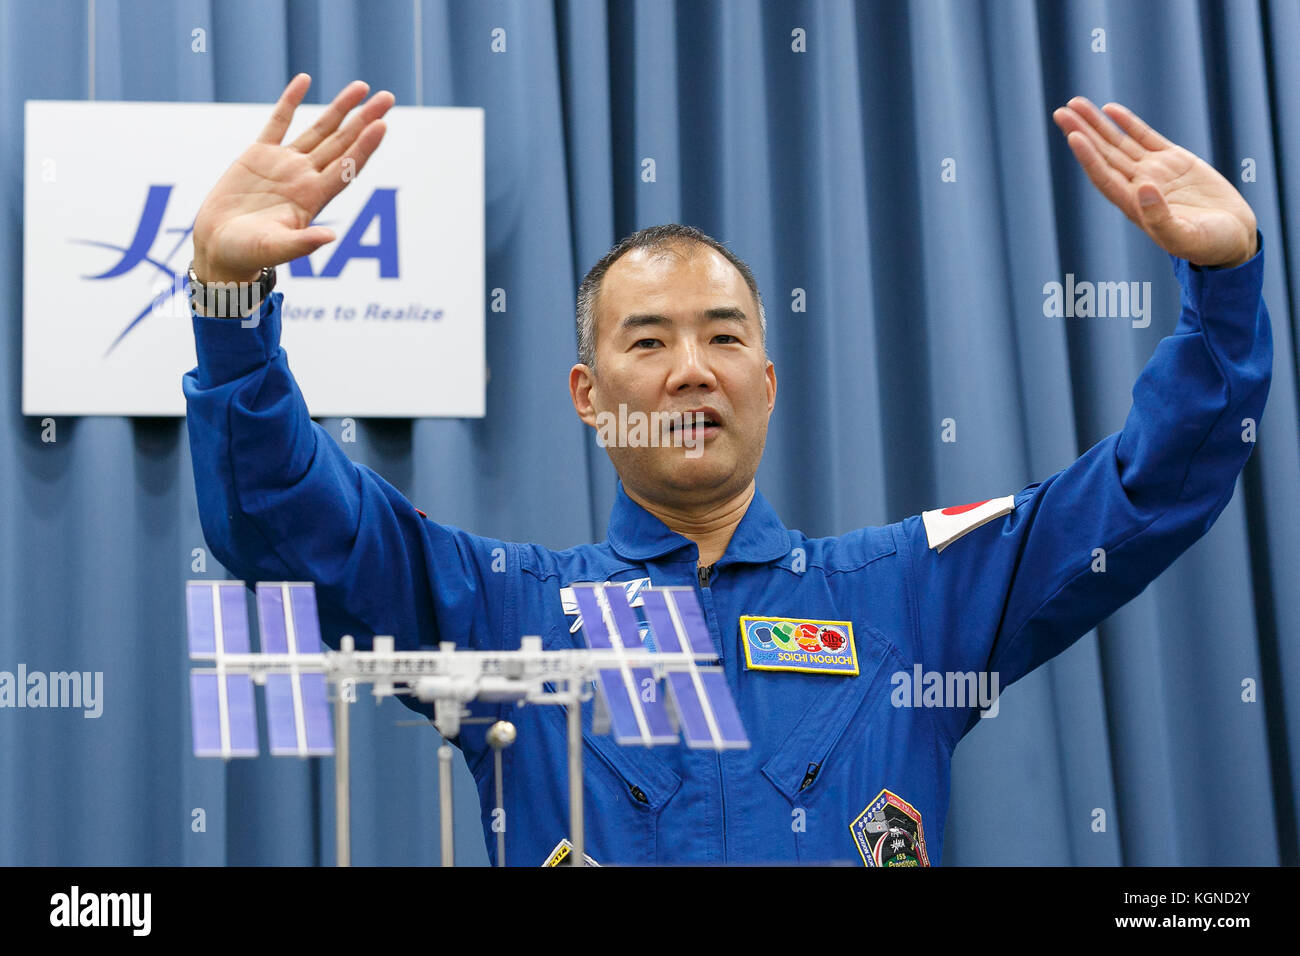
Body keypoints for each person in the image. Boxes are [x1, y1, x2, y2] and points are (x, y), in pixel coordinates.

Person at [183, 74, 1269, 866]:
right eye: (647, 342)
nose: (690, 371)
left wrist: (1222, 284)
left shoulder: (912, 592)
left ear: (768, 377)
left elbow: (1139, 490)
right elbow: (288, 526)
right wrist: (229, 309)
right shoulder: (498, 613)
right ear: (587, 393)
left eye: (723, 337)